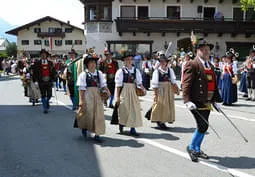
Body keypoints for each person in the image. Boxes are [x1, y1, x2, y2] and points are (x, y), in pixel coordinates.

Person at [182, 38, 222, 162]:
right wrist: (187, 100)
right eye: (203, 50)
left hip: (208, 100)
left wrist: (215, 100)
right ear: (198, 51)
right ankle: (191, 147)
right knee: (202, 125)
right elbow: (186, 84)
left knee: (204, 126)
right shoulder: (192, 64)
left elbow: (213, 84)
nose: (206, 52)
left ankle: (197, 149)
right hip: (196, 100)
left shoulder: (209, 65)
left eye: (208, 50)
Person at [76, 54, 110, 142]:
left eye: (94, 62)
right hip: (88, 95)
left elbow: (103, 85)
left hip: (98, 95)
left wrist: (108, 91)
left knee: (99, 114)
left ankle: (97, 134)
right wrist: (81, 100)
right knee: (88, 114)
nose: (93, 64)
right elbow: (81, 89)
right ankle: (84, 127)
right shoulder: (83, 74)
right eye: (91, 62)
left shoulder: (99, 74)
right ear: (87, 64)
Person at [115, 52, 144, 136]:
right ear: (124, 61)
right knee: (124, 108)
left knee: (134, 109)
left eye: (131, 59)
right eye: (127, 59)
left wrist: (143, 89)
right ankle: (121, 124)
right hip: (124, 91)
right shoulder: (120, 71)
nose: (129, 61)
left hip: (133, 91)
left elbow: (139, 82)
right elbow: (118, 85)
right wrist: (117, 97)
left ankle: (132, 128)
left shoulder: (136, 71)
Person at [150, 54, 179, 129]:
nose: (163, 63)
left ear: (167, 62)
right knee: (160, 105)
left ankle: (165, 119)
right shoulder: (157, 72)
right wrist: (155, 94)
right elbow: (154, 84)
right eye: (161, 61)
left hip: (169, 89)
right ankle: (159, 121)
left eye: (164, 61)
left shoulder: (170, 70)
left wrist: (176, 89)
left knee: (168, 105)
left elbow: (173, 81)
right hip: (160, 89)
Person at [32, 49, 56, 113]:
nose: (43, 55)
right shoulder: (37, 63)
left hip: (49, 80)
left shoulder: (50, 63)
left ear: (46, 55)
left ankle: (47, 101)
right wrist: (35, 81)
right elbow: (34, 73)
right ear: (40, 55)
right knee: (43, 95)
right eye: (42, 54)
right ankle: (45, 108)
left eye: (44, 54)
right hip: (41, 81)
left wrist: (54, 80)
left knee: (49, 95)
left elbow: (54, 72)